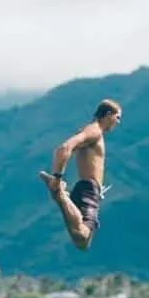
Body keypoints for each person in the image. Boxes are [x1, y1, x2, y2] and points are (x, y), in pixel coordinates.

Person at [37, 99, 122, 251]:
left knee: (83, 243)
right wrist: (57, 177)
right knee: (82, 235)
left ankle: (60, 195)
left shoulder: (93, 132)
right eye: (117, 117)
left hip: (88, 188)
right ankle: (59, 194)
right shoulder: (94, 131)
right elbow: (64, 148)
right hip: (88, 188)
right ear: (108, 114)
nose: (118, 122)